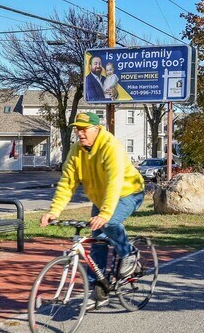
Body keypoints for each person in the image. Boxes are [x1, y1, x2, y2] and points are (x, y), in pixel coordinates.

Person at [40, 111, 145, 309]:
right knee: (97, 242)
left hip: (128, 192)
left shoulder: (110, 147)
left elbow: (114, 183)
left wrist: (105, 214)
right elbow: (66, 183)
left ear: (97, 129)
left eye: (84, 129)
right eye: (77, 129)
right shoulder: (76, 152)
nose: (80, 133)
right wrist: (54, 211)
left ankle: (129, 254)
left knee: (110, 222)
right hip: (101, 198)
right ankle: (99, 291)